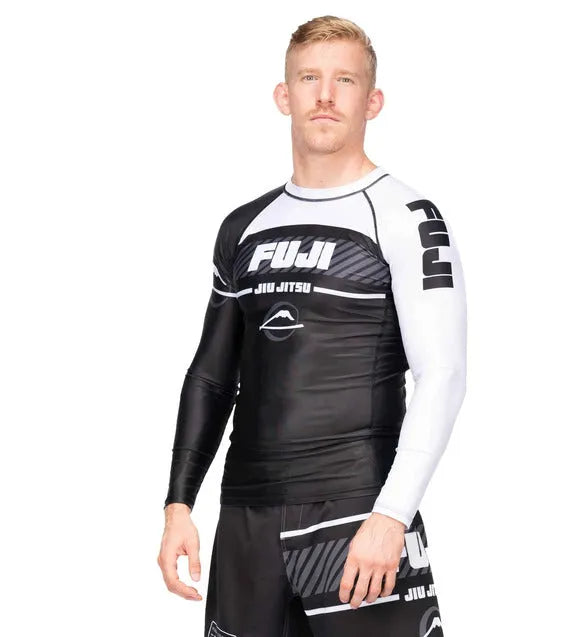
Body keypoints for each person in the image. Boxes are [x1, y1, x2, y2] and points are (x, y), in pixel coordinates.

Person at [157, 15, 467, 637]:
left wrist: (392, 515)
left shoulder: (406, 215)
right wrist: (178, 504)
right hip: (245, 517)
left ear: (372, 101)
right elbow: (212, 374)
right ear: (284, 95)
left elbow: (443, 374)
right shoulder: (243, 225)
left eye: (344, 80)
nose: (325, 95)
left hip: (356, 514)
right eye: (309, 78)